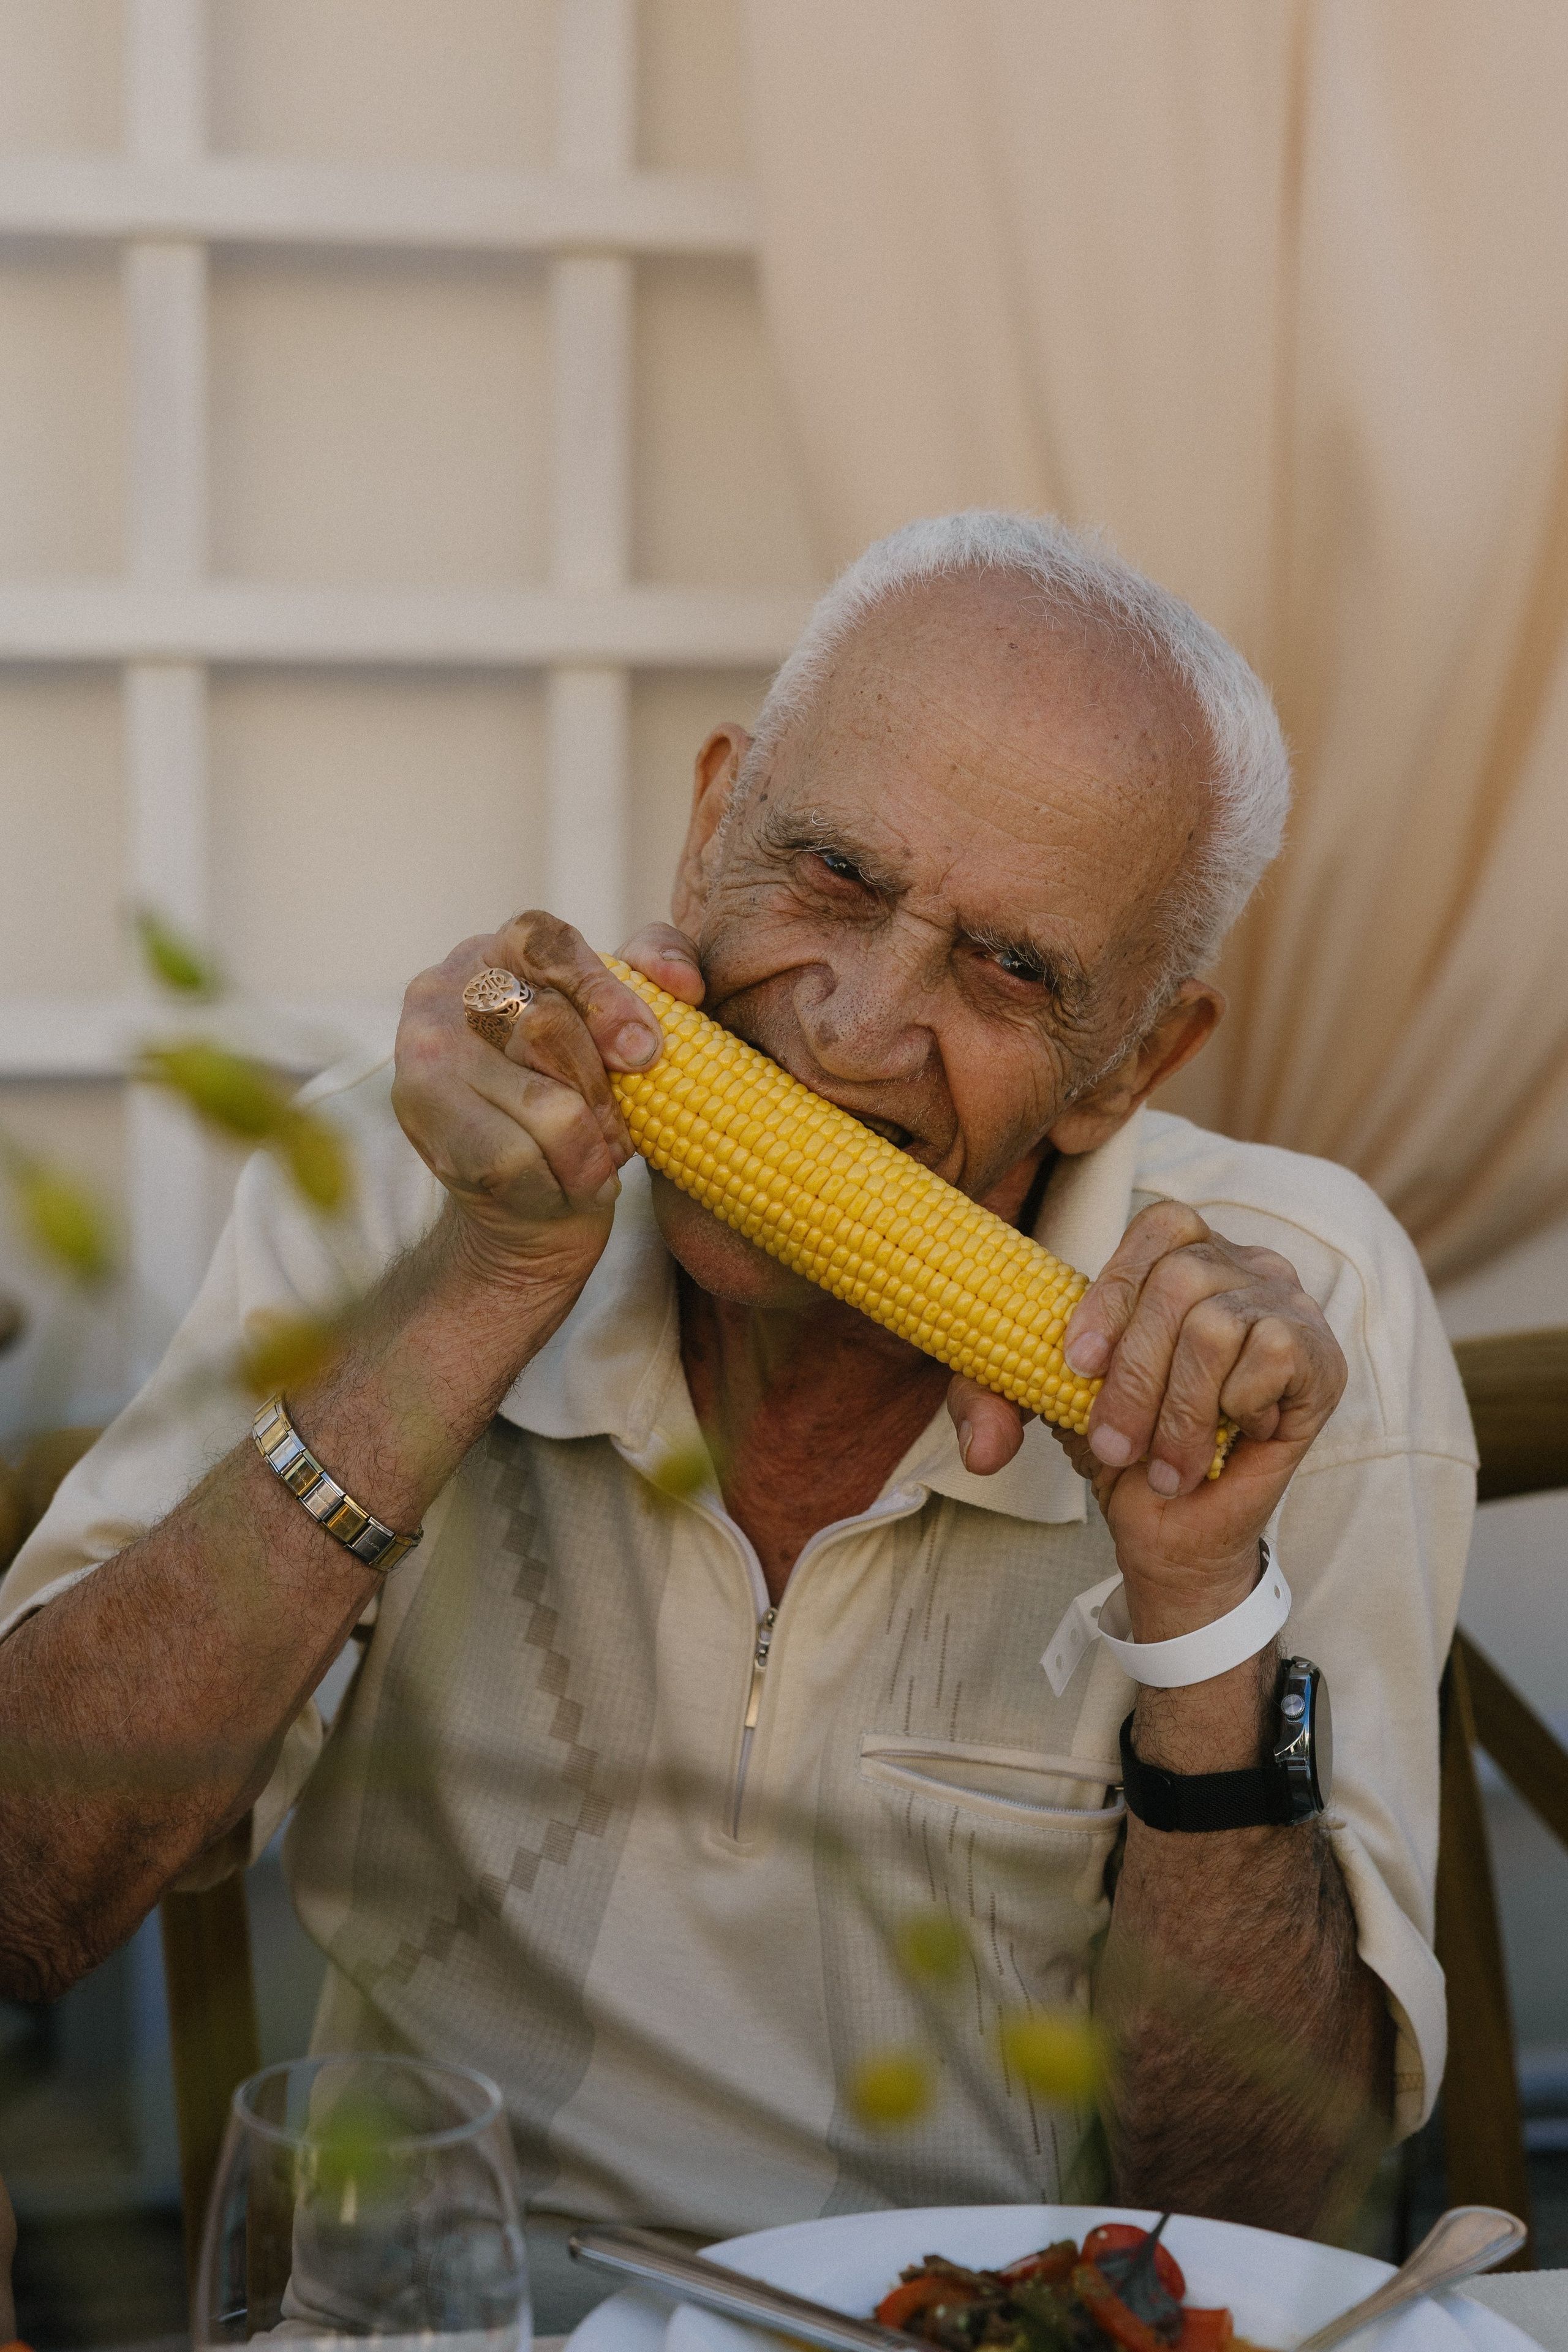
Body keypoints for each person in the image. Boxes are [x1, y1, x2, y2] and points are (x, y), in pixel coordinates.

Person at [0, 516, 1472, 2288]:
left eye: (1008, 969)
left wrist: (1196, 1615)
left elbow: (1267, 2214)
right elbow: (27, 1891)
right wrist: (473, 1299)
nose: (855, 1026)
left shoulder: (1289, 1325)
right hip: (480, 2317)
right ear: (710, 825)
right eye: (832, 877)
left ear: (1135, 1062)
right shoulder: (404, 1175)